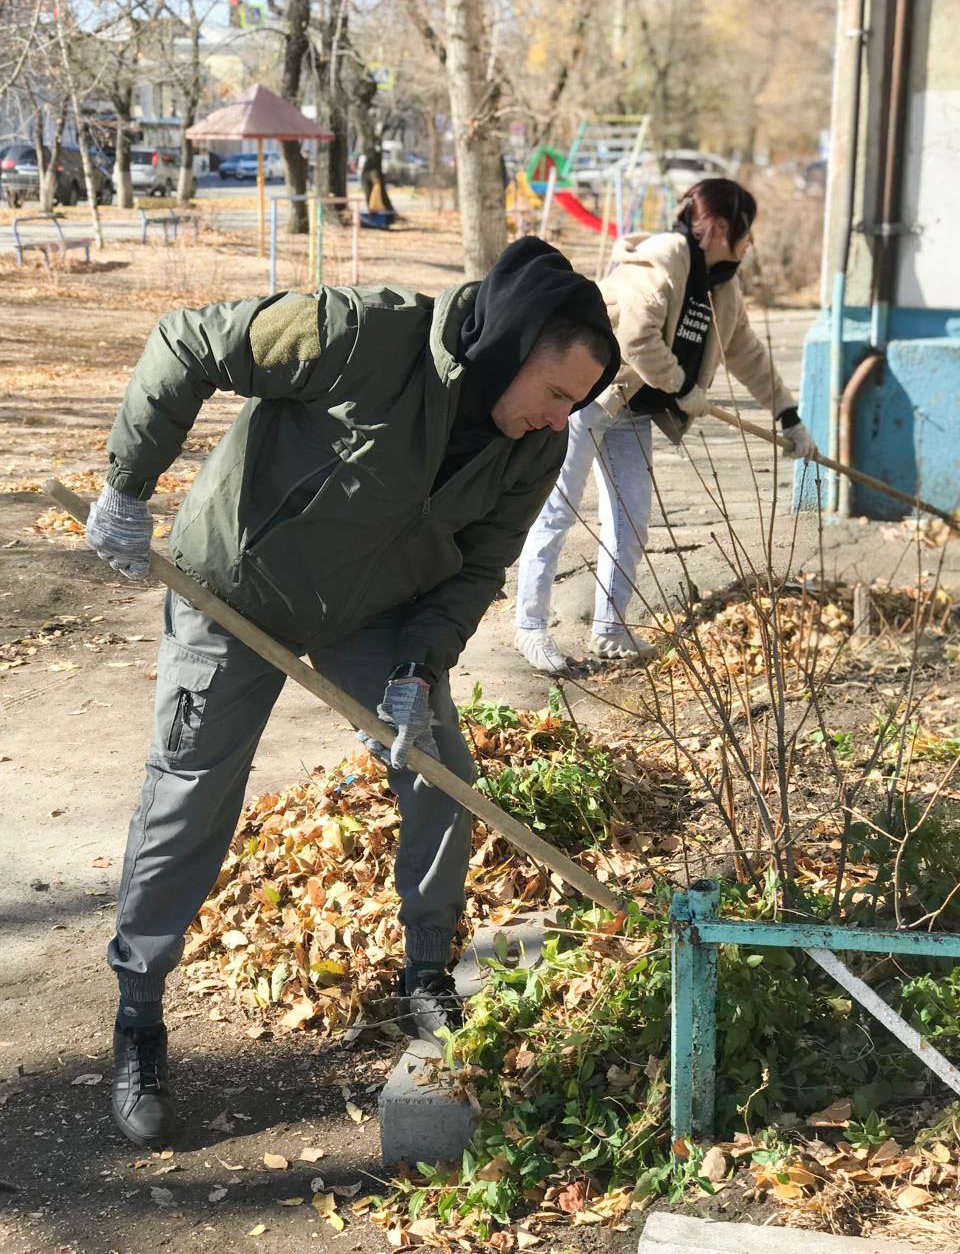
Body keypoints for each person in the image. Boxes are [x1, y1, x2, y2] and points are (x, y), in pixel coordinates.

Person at [84, 237, 620, 1147]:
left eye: (578, 402)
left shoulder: (533, 449)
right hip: (234, 588)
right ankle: (139, 1011)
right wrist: (129, 487)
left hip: (374, 612)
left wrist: (418, 667)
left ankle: (425, 974)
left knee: (441, 771)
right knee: (192, 794)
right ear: (511, 342)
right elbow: (187, 341)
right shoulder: (367, 335)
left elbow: (476, 568)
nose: (558, 418)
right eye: (556, 390)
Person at [514, 179, 818, 674]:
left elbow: (746, 352)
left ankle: (610, 630)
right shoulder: (665, 255)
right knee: (559, 508)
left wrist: (787, 413)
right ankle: (531, 627)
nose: (749, 242)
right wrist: (681, 387)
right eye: (746, 230)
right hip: (591, 393)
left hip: (636, 409)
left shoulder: (722, 284)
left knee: (631, 519)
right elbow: (635, 333)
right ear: (721, 227)